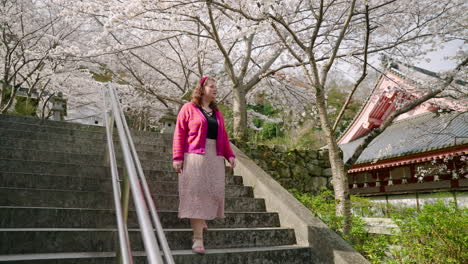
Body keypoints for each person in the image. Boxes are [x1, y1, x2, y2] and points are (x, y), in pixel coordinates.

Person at [172, 76, 236, 255]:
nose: (215, 89)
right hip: (195, 156)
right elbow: (179, 134)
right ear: (201, 88)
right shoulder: (188, 108)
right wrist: (177, 157)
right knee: (197, 196)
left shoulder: (217, 113)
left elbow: (223, 136)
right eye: (211, 86)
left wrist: (229, 155)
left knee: (214, 191)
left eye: (216, 87)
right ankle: (198, 239)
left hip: (214, 156)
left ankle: (202, 218)